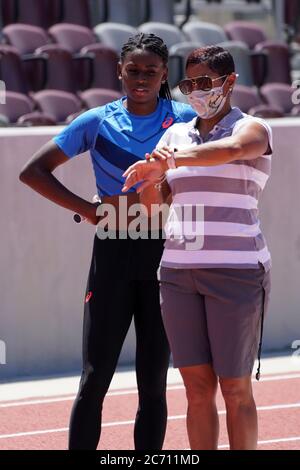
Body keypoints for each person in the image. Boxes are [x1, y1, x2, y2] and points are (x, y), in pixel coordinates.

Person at [19, 33, 196, 450]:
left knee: (153, 380)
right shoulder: (96, 121)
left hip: (164, 253)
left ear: (163, 74)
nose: (140, 78)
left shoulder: (186, 121)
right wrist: (91, 208)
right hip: (113, 250)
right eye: (132, 70)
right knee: (95, 376)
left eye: (150, 72)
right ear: (119, 70)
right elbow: (33, 171)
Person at [122, 45, 272, 450]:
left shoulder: (253, 129)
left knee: (235, 387)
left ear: (230, 82)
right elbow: (155, 205)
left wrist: (169, 163)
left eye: (205, 82)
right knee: (196, 387)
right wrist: (151, 180)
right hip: (177, 273)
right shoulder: (175, 135)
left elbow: (233, 152)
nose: (196, 92)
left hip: (237, 271)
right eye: (189, 84)